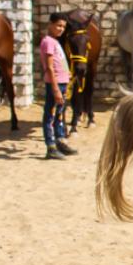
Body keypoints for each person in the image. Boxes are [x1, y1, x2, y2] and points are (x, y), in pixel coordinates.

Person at [40, 12, 77, 160]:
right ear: (50, 24)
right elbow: (49, 67)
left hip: (62, 83)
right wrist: (55, 88)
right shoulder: (48, 41)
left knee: (59, 114)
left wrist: (67, 74)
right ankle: (51, 146)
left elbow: (59, 62)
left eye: (63, 27)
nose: (61, 29)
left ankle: (60, 140)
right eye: (58, 26)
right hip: (55, 84)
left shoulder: (55, 42)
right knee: (50, 115)